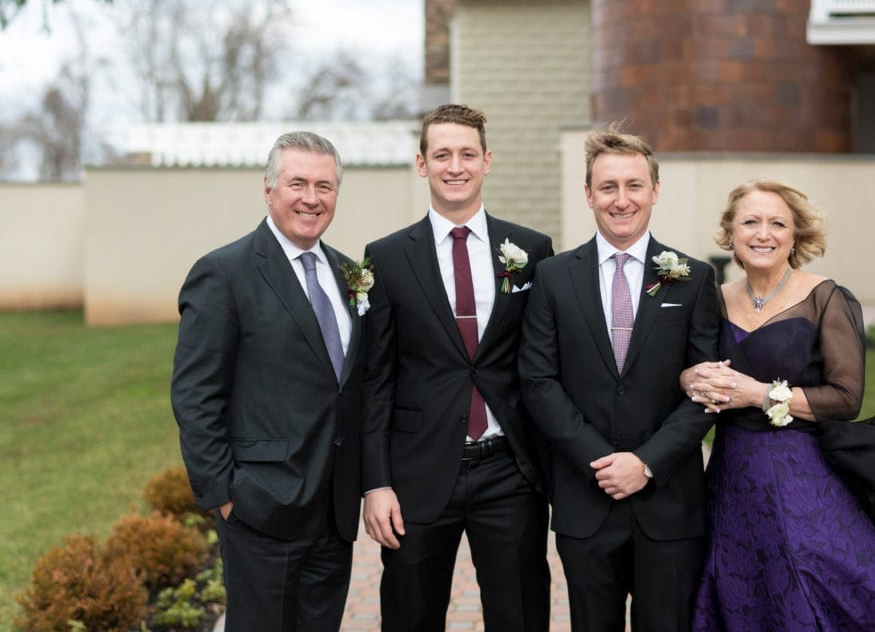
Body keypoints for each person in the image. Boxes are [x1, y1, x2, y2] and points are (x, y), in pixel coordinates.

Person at [682, 178, 875, 631]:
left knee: (820, 578)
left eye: (777, 223)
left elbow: (846, 397)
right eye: (750, 222)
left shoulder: (825, 298)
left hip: (805, 472)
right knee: (738, 588)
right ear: (730, 232)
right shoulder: (712, 301)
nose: (763, 233)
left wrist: (759, 394)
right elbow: (688, 367)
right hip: (732, 475)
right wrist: (688, 376)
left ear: (795, 235)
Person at [518, 124, 720, 631]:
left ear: (654, 190)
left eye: (634, 186)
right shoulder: (553, 276)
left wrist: (646, 464)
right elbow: (539, 382)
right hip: (587, 499)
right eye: (608, 187)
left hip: (669, 501)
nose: (621, 200)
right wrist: (602, 464)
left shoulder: (693, 279)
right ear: (589, 194)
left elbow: (707, 389)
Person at [361, 103, 553, 631]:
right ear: (421, 164)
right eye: (441, 154)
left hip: (509, 471)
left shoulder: (532, 251)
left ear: (487, 161)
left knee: (521, 615)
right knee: (410, 617)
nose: (455, 166)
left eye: (467, 154)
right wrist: (375, 483)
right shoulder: (387, 257)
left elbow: (544, 364)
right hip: (417, 473)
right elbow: (376, 378)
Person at [170, 131, 366, 632]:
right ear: (269, 189)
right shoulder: (224, 272)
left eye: (324, 186)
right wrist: (226, 495)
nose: (311, 197)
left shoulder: (348, 273)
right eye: (297, 182)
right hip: (260, 509)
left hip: (333, 514)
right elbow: (195, 395)